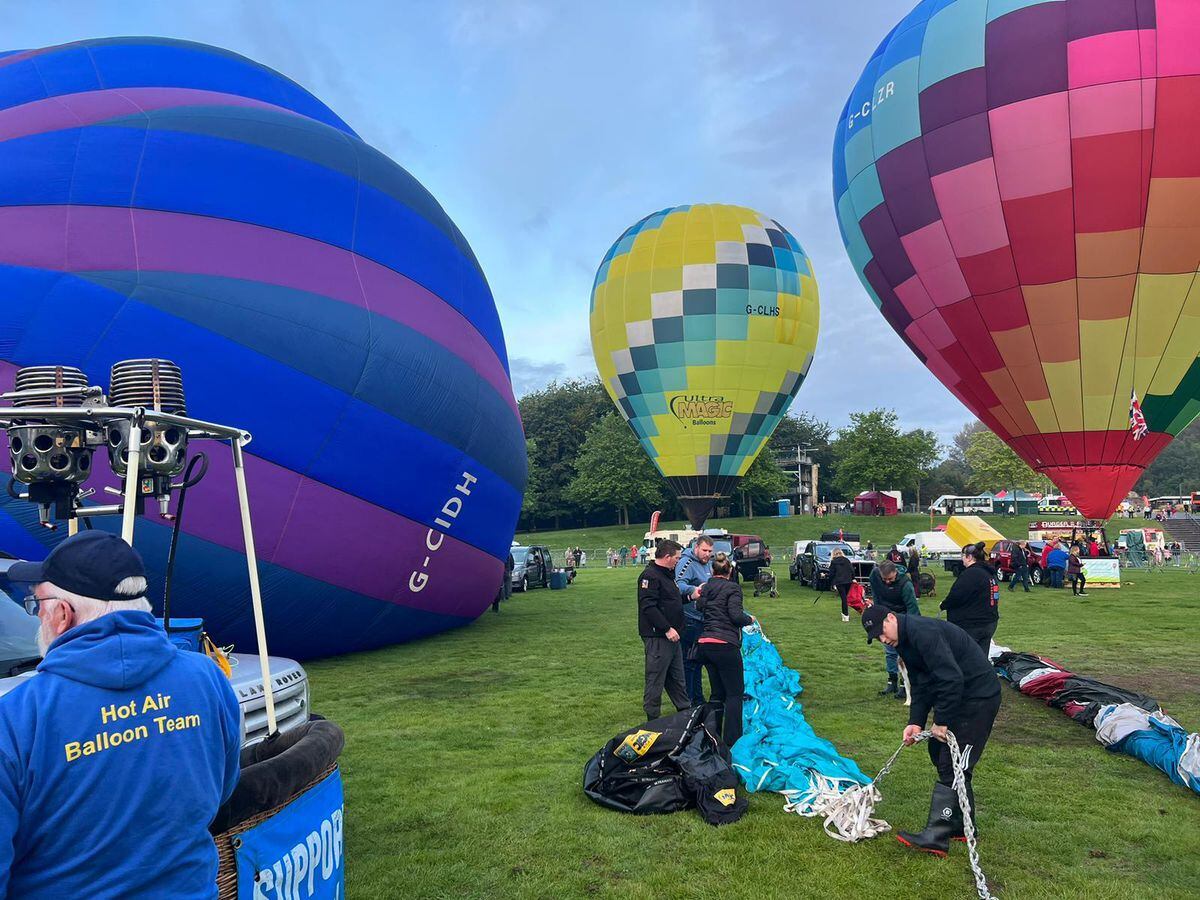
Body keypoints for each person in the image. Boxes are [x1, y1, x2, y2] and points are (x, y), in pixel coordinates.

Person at [0, 531, 241, 897]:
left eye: (37, 605)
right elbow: (222, 788)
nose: (38, 617)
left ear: (62, 614)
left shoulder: (16, 718)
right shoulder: (206, 676)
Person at [861, 605, 1002, 856]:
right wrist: (915, 721)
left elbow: (951, 678)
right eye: (878, 639)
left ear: (891, 618)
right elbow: (921, 683)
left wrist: (942, 720)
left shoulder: (923, 633)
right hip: (960, 696)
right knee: (938, 752)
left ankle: (937, 834)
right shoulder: (903, 641)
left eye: (882, 633)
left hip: (978, 698)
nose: (883, 640)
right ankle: (958, 825)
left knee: (953, 762)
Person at [696, 552, 755, 746]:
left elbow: (699, 606)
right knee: (734, 693)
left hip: (706, 644)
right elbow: (736, 616)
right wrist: (749, 620)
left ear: (713, 571)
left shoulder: (707, 588)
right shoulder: (733, 589)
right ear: (730, 571)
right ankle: (732, 740)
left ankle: (712, 735)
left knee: (716, 693)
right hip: (725, 644)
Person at [637, 539, 691, 719]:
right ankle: (652, 719)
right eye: (677, 557)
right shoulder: (650, 576)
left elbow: (671, 601)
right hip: (659, 637)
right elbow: (649, 607)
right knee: (656, 678)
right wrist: (666, 628)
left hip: (674, 636)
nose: (678, 561)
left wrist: (691, 597)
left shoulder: (668, 575)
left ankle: (685, 713)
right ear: (667, 557)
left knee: (677, 678)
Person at [868, 560, 920, 700]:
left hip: (903, 618)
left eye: (890, 579)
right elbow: (876, 596)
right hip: (886, 617)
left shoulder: (905, 584)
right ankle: (892, 681)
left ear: (895, 573)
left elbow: (913, 609)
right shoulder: (875, 576)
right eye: (884, 579)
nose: (887, 582)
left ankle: (905, 684)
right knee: (889, 651)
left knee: (904, 654)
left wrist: (909, 629)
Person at [674, 536, 715, 705]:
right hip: (690, 619)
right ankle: (690, 700)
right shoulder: (686, 563)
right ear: (696, 547)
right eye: (704, 550)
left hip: (703, 618)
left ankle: (698, 699)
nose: (707, 555)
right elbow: (677, 584)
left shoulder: (708, 564)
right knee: (689, 662)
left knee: (698, 661)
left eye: (710, 552)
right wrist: (695, 589)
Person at [940, 542, 999, 657]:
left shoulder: (971, 574)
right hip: (989, 621)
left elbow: (957, 596)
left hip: (973, 625)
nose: (962, 559)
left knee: (966, 659)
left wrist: (944, 604)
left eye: (963, 556)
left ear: (970, 557)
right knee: (981, 658)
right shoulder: (989, 573)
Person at [830, 548, 854, 623]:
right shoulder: (847, 560)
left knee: (844, 599)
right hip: (848, 581)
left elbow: (832, 573)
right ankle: (845, 614)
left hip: (839, 582)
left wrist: (831, 581)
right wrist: (853, 578)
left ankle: (845, 615)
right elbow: (852, 570)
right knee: (845, 598)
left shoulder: (833, 562)